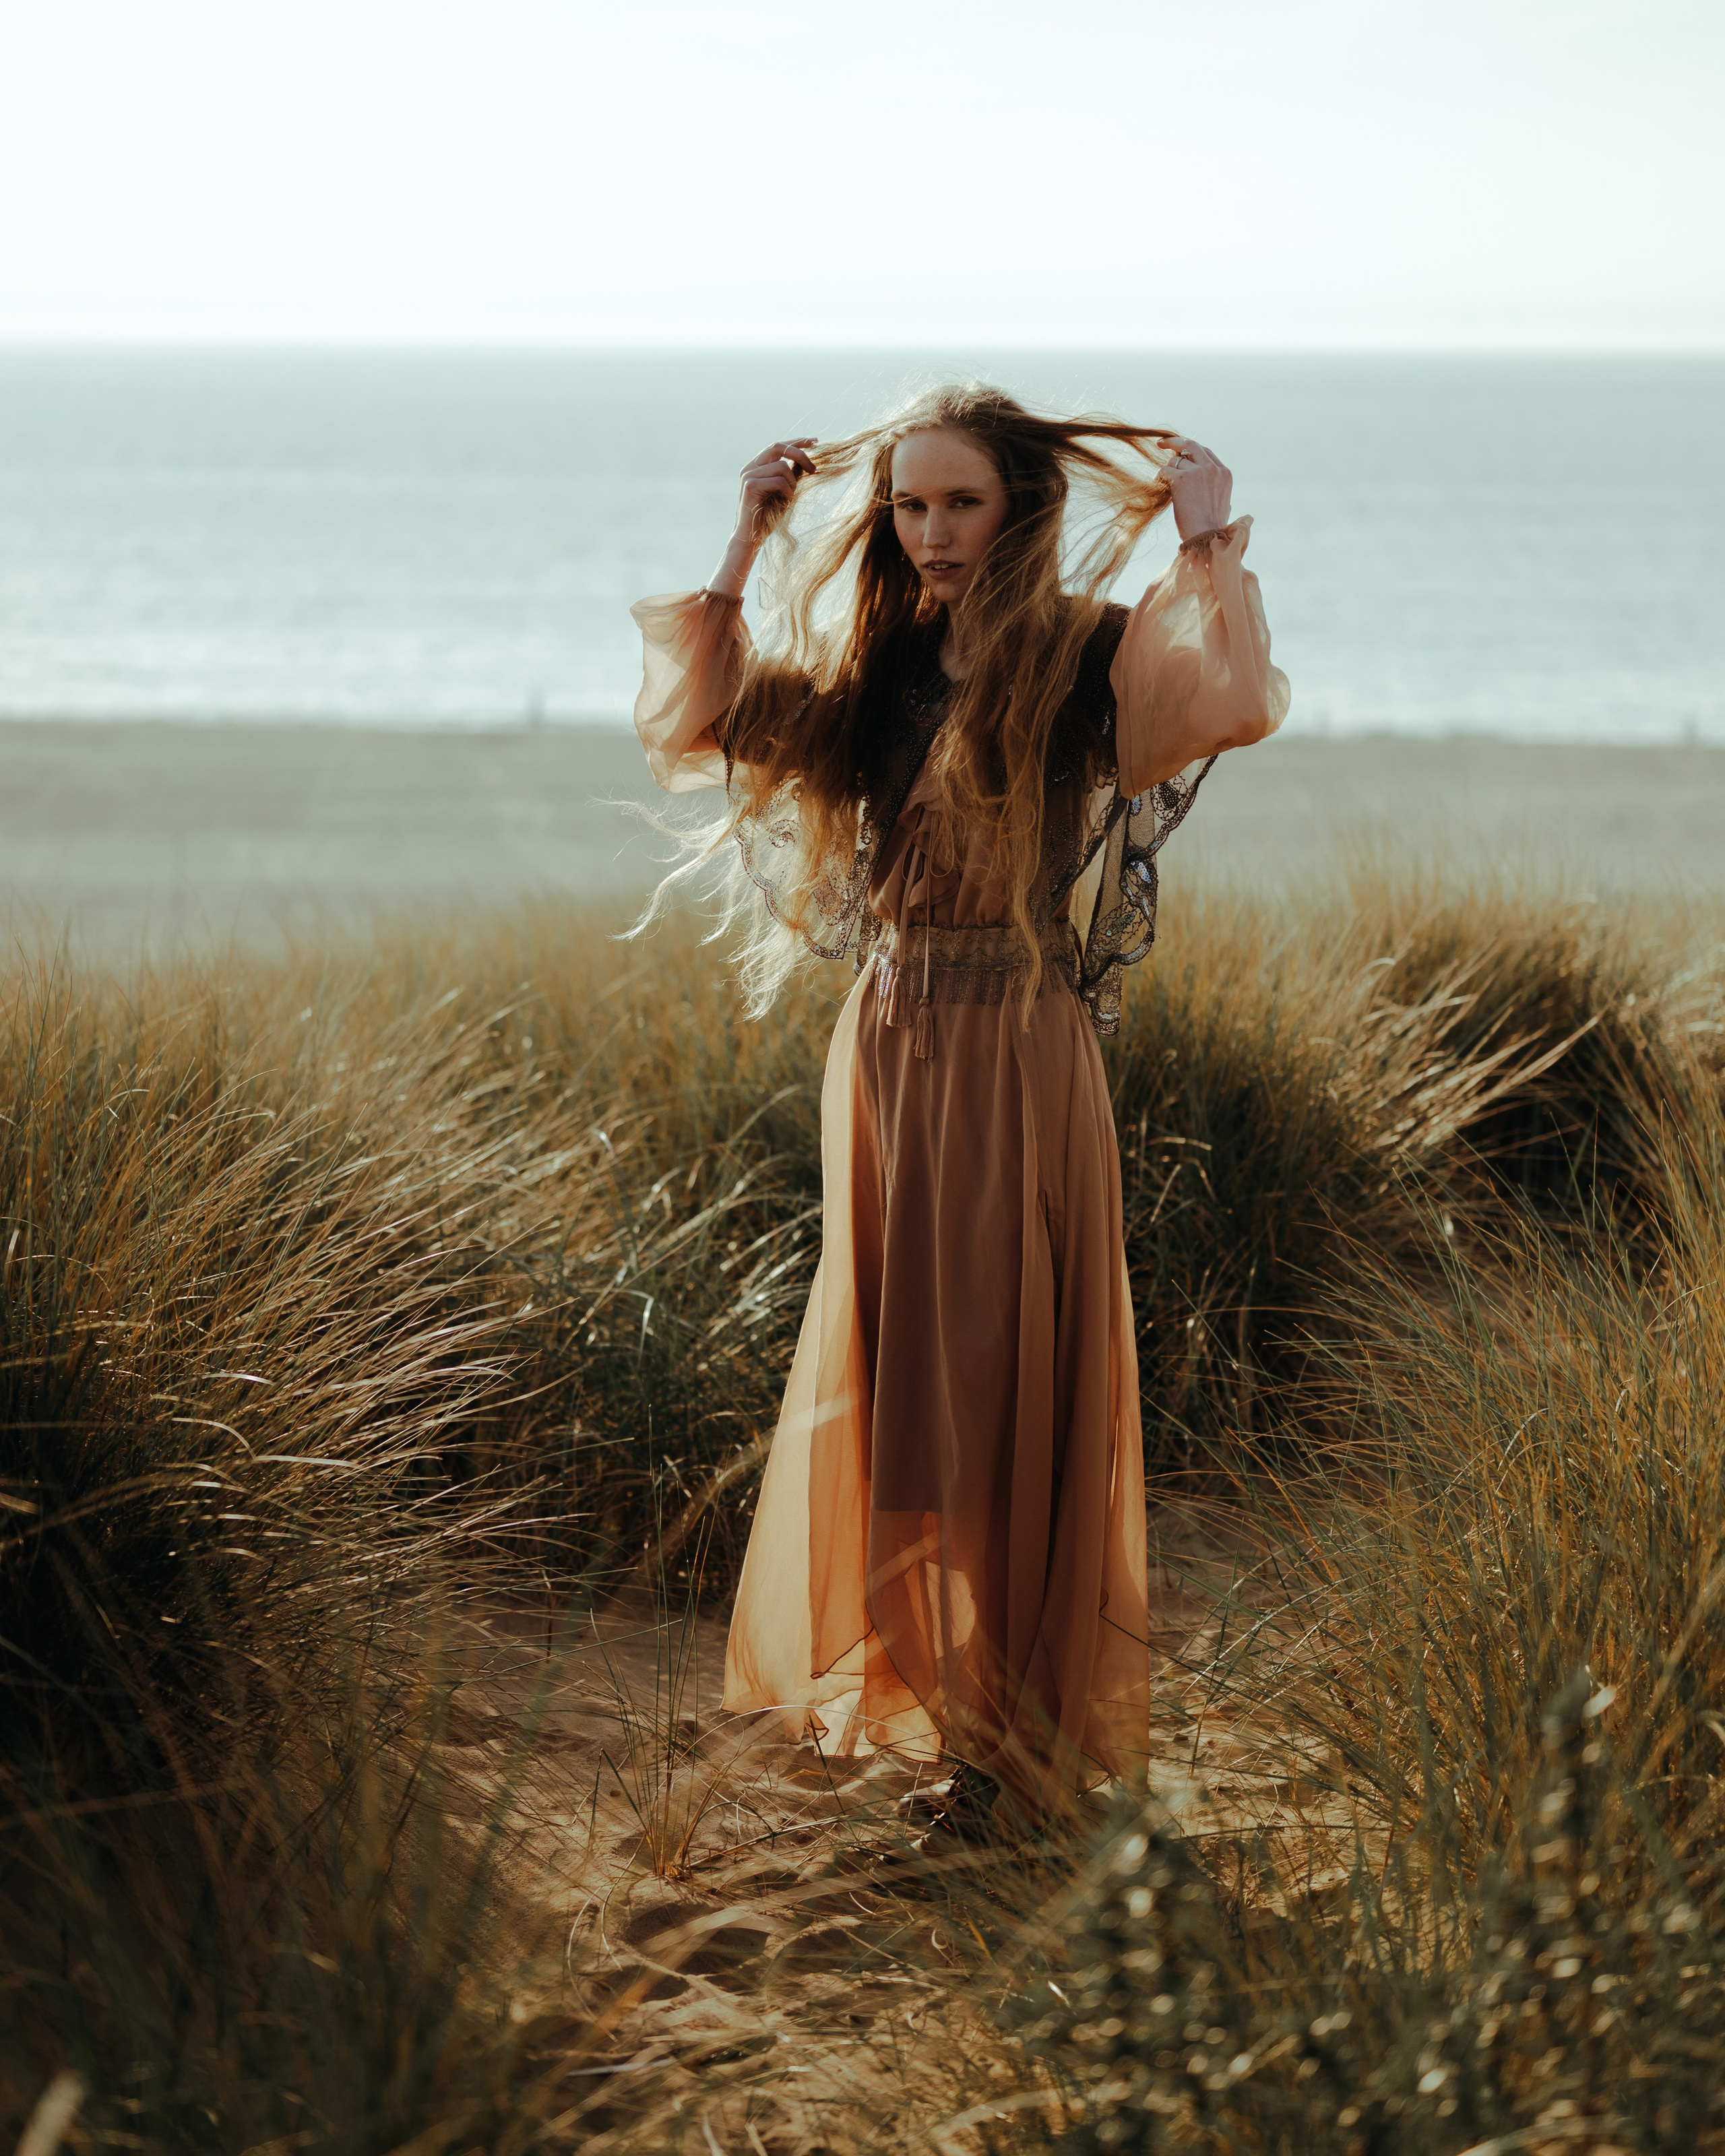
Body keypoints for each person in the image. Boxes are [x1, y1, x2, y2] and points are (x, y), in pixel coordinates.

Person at [630, 383, 1286, 1829]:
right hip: (887, 1047)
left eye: (959, 502)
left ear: (1019, 508)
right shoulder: (877, 668)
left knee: (998, 1384)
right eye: (908, 506)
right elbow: (699, 716)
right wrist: (742, 541)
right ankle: (939, 1722)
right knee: (909, 1390)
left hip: (1015, 1045)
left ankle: (1001, 1745)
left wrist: (1208, 541)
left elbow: (1230, 702)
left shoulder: (1087, 658)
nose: (930, 533)